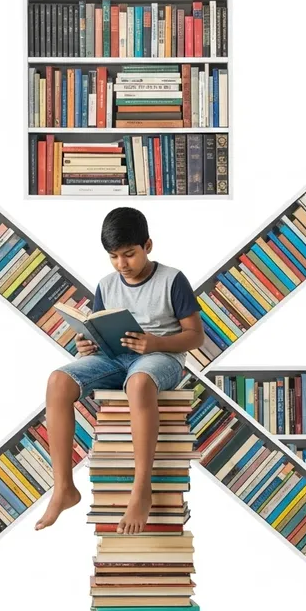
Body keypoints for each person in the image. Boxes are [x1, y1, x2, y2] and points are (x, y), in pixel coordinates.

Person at [35, 207, 204, 534]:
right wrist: (87, 345)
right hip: (114, 357)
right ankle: (64, 488)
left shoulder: (173, 279)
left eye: (129, 254)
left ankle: (141, 489)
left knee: (139, 384)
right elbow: (99, 328)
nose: (122, 264)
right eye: (113, 257)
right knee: (58, 381)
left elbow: (195, 336)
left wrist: (154, 343)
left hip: (160, 357)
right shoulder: (106, 284)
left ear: (148, 246)